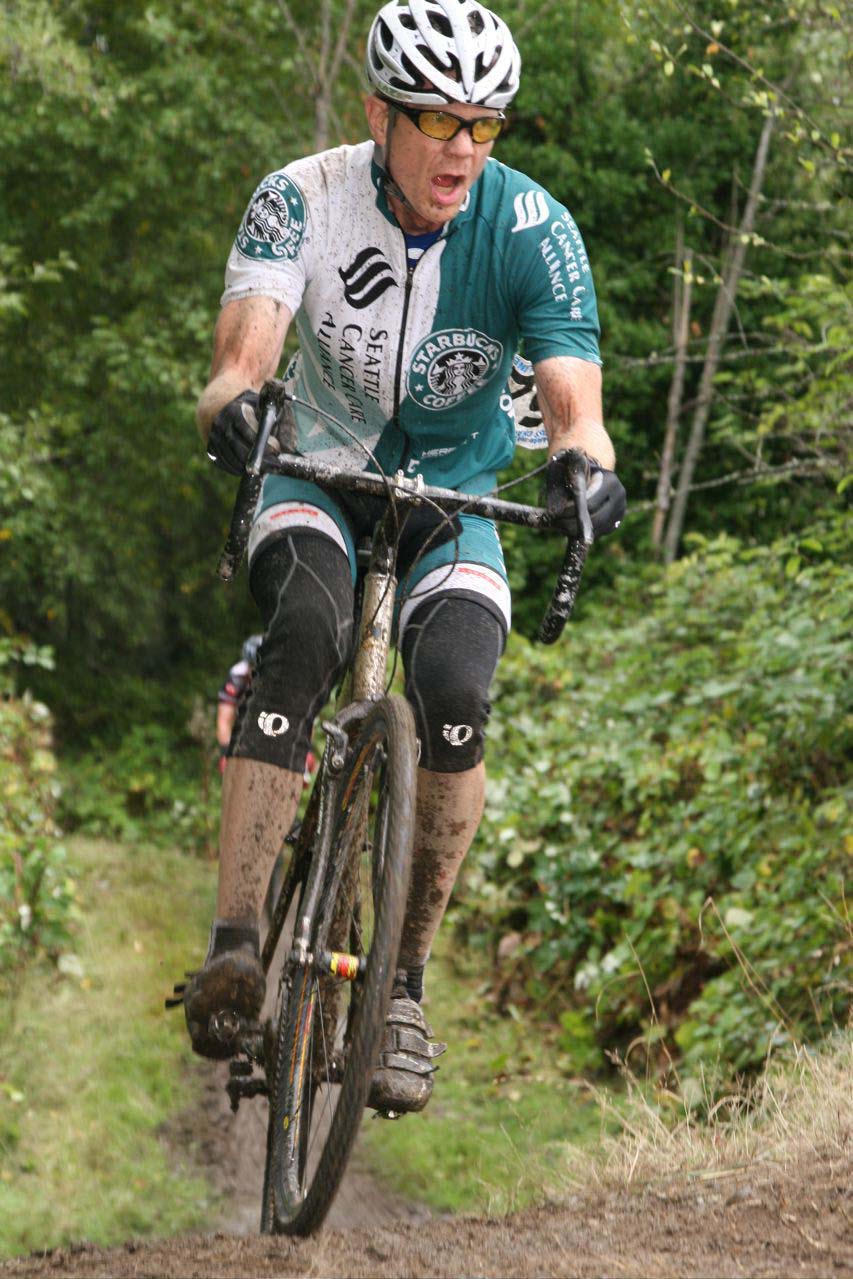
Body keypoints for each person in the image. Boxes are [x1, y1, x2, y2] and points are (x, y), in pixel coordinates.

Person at [184, 0, 626, 1113]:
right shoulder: (302, 198)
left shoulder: (535, 229)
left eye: (487, 124)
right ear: (380, 114)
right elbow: (239, 363)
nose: (465, 148)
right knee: (301, 635)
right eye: (439, 121)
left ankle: (404, 987)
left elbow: (575, 407)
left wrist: (582, 465)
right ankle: (238, 941)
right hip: (316, 472)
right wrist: (236, 410)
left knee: (459, 696)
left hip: (458, 495)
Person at [216, 635, 263, 775]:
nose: (254, 673)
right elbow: (224, 720)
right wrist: (227, 752)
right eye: (252, 667)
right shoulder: (237, 676)